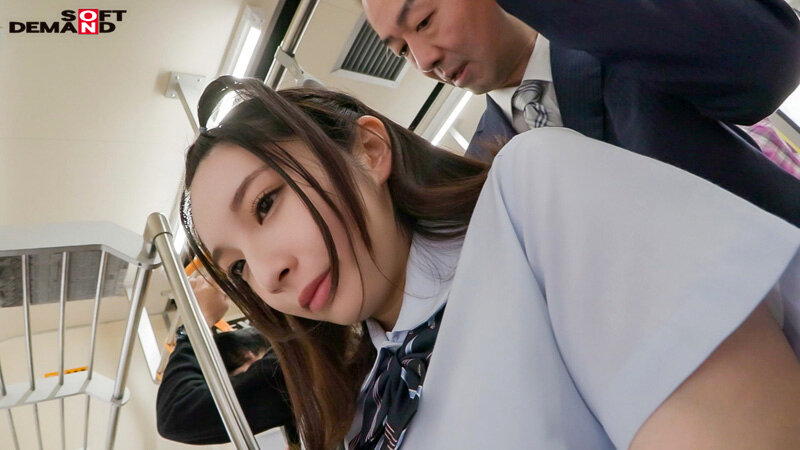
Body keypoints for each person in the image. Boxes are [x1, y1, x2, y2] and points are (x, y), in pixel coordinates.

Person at [178, 76, 800, 449]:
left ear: (368, 149)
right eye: (238, 271)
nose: (267, 276)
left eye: (266, 204)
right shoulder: (356, 413)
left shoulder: (533, 196)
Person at [361, 0, 800, 227]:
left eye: (423, 22)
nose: (424, 61)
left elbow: (768, 63)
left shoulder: (619, 38)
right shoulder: (477, 175)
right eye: (401, 51)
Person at [156, 277, 296, 445]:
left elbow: (176, 417)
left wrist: (198, 320)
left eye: (234, 383)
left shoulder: (293, 366)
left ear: (248, 359)